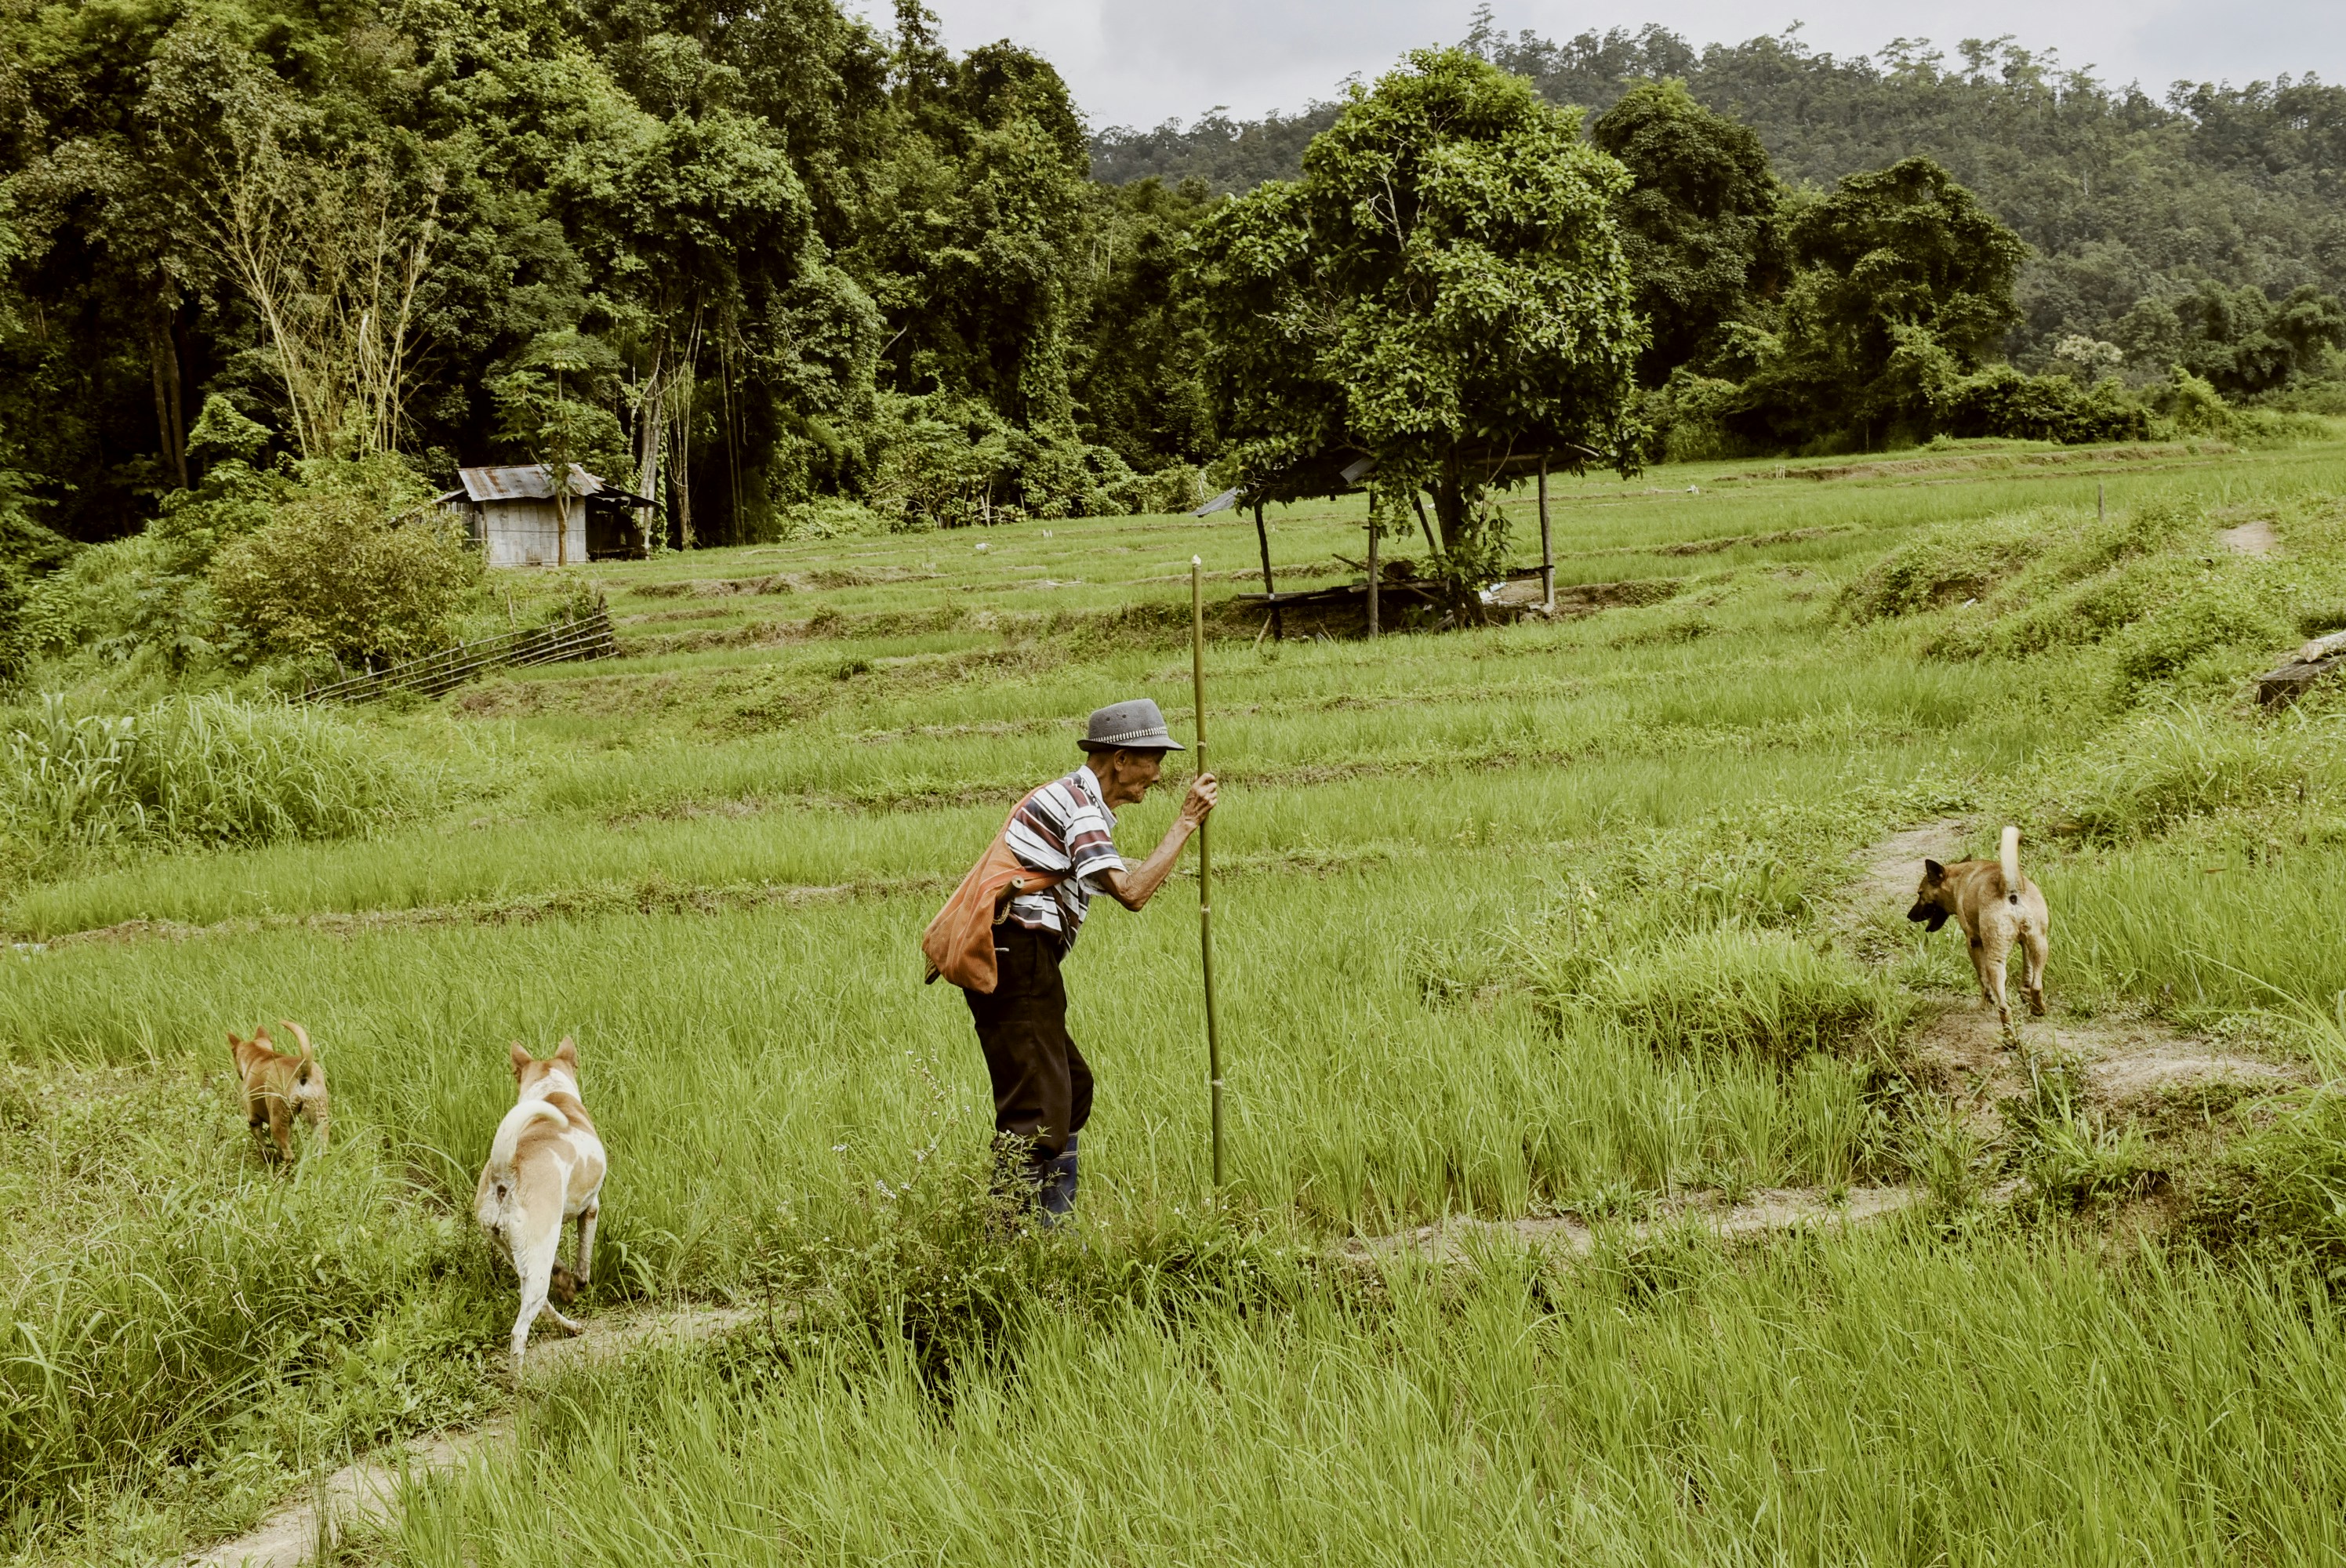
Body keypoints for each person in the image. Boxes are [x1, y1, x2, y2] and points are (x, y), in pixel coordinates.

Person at [966, 698, 1217, 1223]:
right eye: (1153, 763)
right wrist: (1187, 821)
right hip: (1017, 954)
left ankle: (1051, 1225)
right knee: (1035, 1111)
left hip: (1025, 959)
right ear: (1120, 758)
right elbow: (1132, 893)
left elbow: (1111, 872)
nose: (1155, 778)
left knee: (1071, 1090)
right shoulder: (1080, 804)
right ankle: (1008, 1242)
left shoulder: (1078, 803)